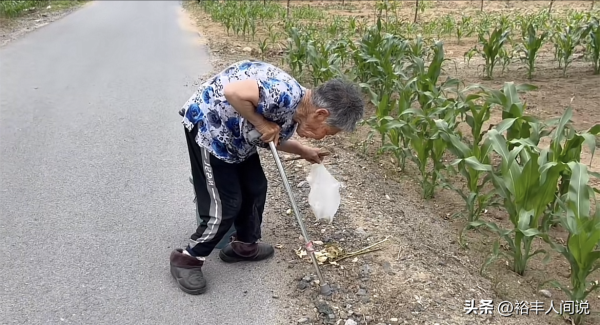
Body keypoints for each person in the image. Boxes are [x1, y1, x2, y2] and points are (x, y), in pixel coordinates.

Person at [169, 59, 365, 295]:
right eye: (327, 131)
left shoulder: (297, 112)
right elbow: (233, 92)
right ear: (321, 114)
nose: (323, 138)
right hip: (211, 131)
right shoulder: (283, 93)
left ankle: (243, 245)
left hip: (239, 138)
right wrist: (261, 122)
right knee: (227, 203)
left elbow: (272, 137)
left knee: (255, 187)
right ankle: (189, 258)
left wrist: (304, 150)